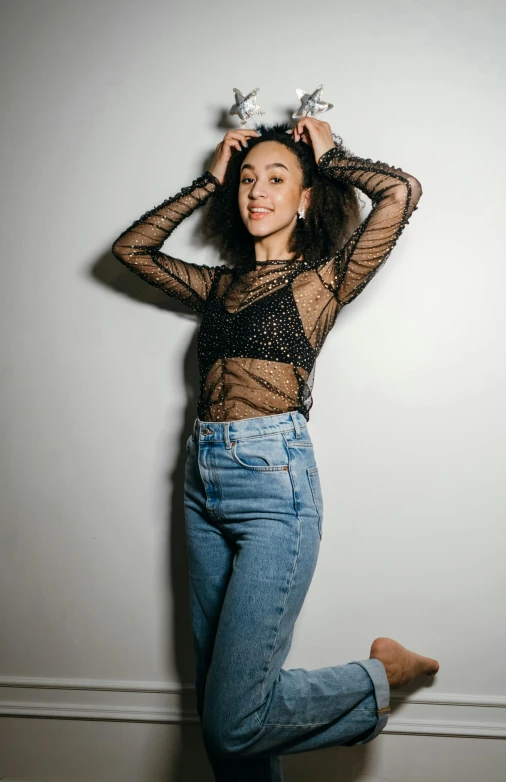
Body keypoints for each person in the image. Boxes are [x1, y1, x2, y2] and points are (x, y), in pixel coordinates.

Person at [111, 117, 440, 781]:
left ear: (306, 198)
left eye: (278, 178)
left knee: (233, 719)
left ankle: (382, 675)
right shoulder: (220, 285)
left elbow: (401, 192)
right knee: (221, 712)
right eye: (247, 179)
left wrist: (332, 156)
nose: (257, 190)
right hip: (200, 482)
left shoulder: (321, 282)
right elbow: (132, 251)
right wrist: (207, 180)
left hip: (274, 485)